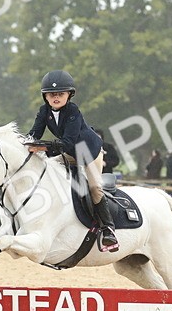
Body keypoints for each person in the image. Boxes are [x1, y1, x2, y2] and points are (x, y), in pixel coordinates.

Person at [26, 70, 117, 252]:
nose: (56, 97)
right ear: (45, 97)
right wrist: (24, 143)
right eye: (52, 94)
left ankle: (108, 229)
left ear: (69, 95)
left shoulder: (73, 110)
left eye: (60, 94)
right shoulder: (44, 111)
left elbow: (67, 141)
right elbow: (34, 134)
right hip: (69, 152)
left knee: (94, 187)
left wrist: (41, 147)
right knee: (46, 170)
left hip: (89, 151)